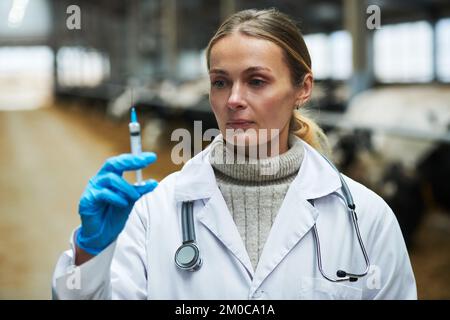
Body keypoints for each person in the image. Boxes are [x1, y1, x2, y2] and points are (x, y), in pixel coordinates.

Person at [52, 8, 417, 300]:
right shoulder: (154, 211)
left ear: (303, 88)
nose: (234, 100)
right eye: (220, 82)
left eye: (256, 81)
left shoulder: (366, 218)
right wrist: (90, 254)